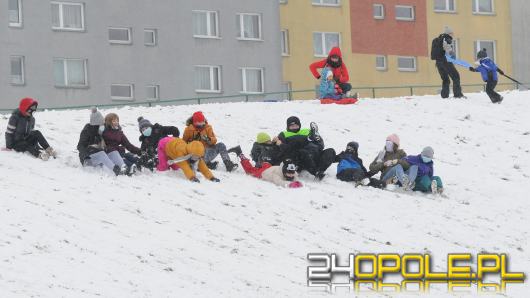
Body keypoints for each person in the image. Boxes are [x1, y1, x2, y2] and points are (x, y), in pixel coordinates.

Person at [77, 107, 127, 175]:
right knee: (101, 154)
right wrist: (86, 156)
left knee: (113, 152)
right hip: (87, 159)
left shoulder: (99, 133)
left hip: (99, 156)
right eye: (101, 124)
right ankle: (115, 169)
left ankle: (123, 167)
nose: (103, 126)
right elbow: (80, 146)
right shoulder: (86, 132)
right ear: (95, 124)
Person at [228, 146, 302, 188]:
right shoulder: (277, 174)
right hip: (263, 172)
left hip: (268, 165)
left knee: (254, 168)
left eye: (292, 173)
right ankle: (239, 152)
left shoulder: (292, 171)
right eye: (289, 173)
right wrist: (290, 184)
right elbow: (279, 182)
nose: (291, 175)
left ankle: (259, 163)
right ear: (284, 171)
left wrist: (297, 182)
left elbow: (295, 177)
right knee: (249, 170)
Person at [431, 26, 465, 99]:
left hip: (438, 62)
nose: (453, 35)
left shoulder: (437, 40)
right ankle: (458, 94)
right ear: (449, 33)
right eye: (452, 33)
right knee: (456, 76)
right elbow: (447, 48)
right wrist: (452, 54)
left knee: (445, 79)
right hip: (445, 61)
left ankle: (444, 95)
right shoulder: (446, 38)